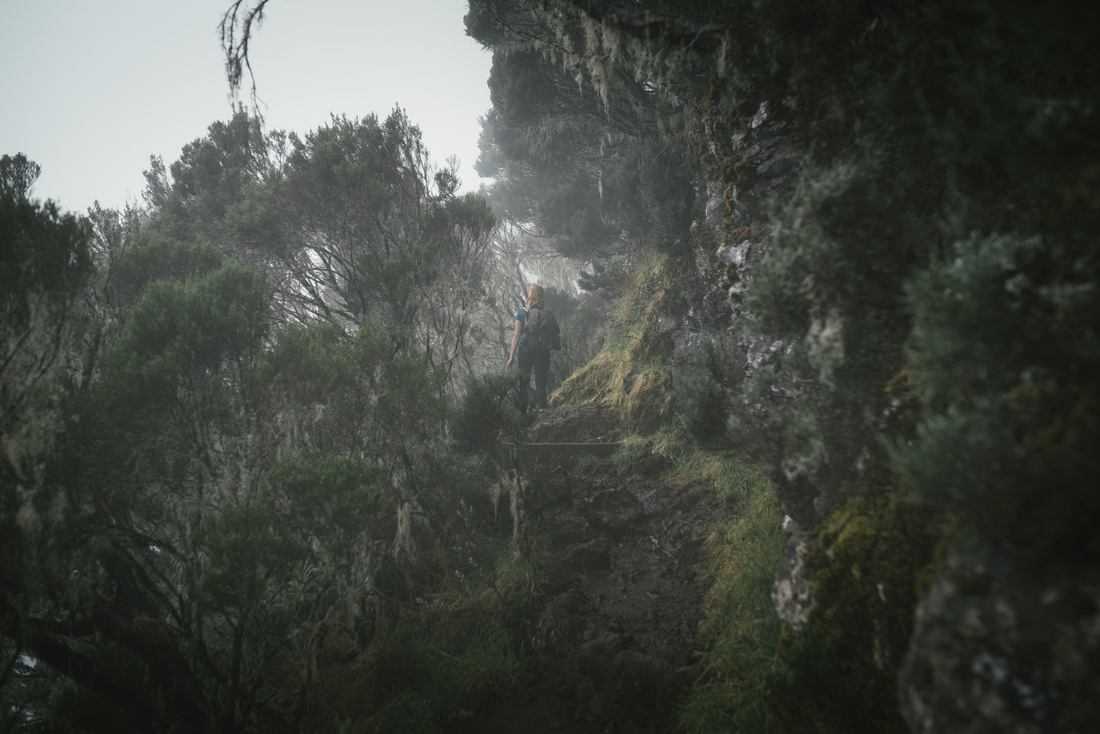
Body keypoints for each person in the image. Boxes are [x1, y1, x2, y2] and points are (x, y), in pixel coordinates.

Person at [506, 283, 554, 409]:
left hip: (525, 351)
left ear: (529, 295)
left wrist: (511, 357)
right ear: (541, 296)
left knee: (524, 385)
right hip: (542, 351)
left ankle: (524, 416)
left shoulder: (522, 312)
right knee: (540, 384)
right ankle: (544, 411)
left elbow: (516, 336)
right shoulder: (546, 313)